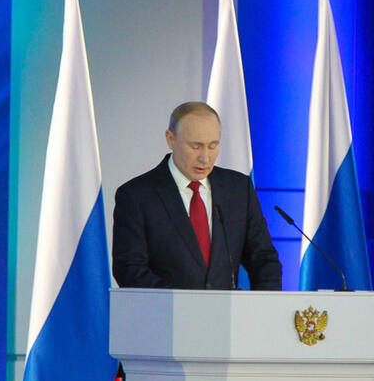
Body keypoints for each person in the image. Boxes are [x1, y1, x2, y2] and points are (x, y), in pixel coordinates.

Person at [113, 102, 282, 289]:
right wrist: (183, 302)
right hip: (166, 308)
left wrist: (264, 304)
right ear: (170, 139)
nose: (205, 158)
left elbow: (264, 259)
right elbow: (129, 269)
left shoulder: (238, 189)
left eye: (213, 146)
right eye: (196, 146)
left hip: (228, 308)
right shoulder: (137, 195)